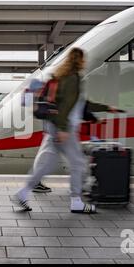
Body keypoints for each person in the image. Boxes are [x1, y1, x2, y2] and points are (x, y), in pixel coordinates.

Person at [16, 47, 118, 213]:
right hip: (64, 127)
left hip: (53, 126)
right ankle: (76, 201)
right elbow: (66, 106)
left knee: (45, 165)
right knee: (78, 163)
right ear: (81, 60)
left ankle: (23, 192)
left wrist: (106, 108)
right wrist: (63, 129)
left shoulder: (60, 76)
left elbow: (82, 104)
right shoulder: (73, 79)